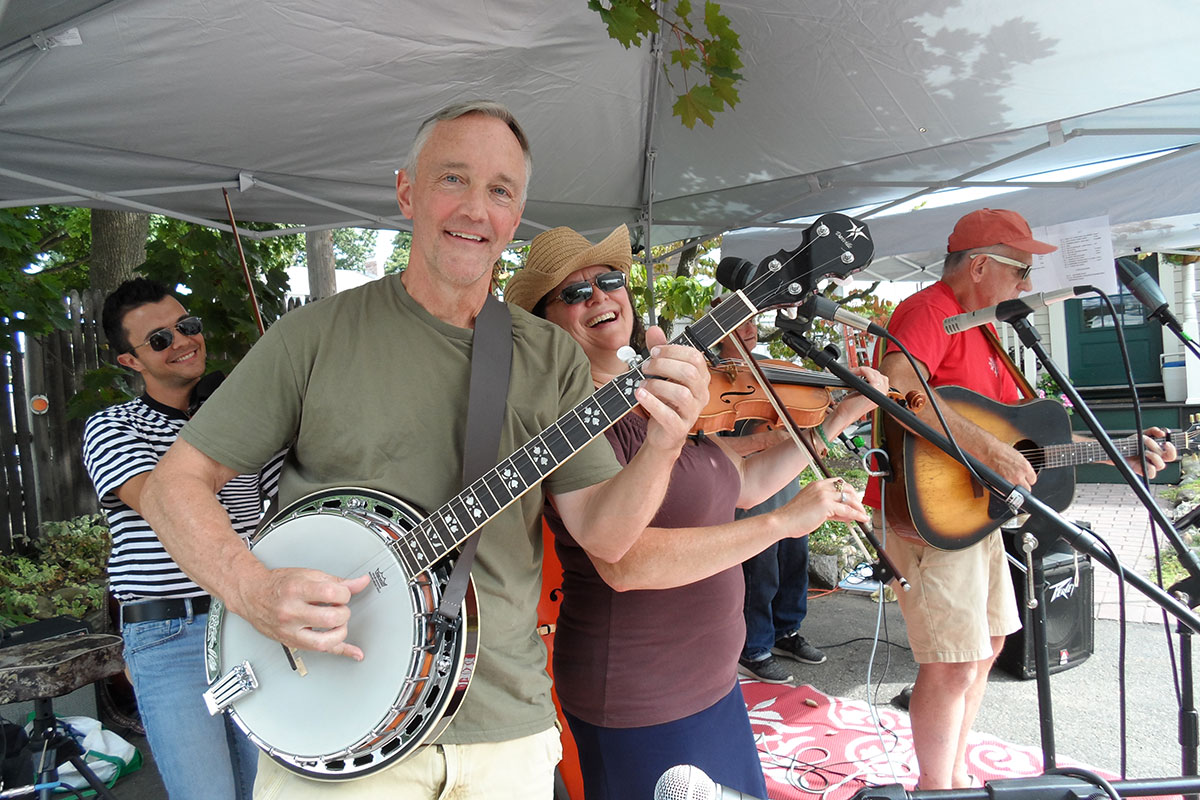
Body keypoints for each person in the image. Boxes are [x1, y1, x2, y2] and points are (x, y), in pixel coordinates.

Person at [139, 101, 712, 800]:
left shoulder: (552, 356)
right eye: (453, 179)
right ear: (407, 191)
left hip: (505, 734)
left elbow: (606, 534)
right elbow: (175, 484)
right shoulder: (314, 336)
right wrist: (250, 590)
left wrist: (663, 444)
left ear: (515, 216)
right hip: (335, 730)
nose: (475, 208)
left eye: (500, 190)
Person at [504, 224, 885, 800]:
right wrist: (784, 523)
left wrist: (835, 420)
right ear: (546, 322)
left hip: (713, 680)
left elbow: (744, 483)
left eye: (610, 280)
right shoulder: (569, 420)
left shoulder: (665, 387)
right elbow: (627, 562)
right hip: (641, 692)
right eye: (574, 293)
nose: (599, 296)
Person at [864, 207, 1177, 790]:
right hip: (929, 512)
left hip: (974, 512)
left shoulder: (985, 329)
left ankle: (956, 776)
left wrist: (1119, 452)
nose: (1027, 283)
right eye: (1020, 269)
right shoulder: (929, 310)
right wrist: (988, 449)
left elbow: (1024, 441)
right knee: (954, 660)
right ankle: (935, 789)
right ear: (980, 265)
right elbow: (900, 388)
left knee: (987, 646)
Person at [82, 277, 275, 800]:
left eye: (186, 326)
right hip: (171, 633)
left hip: (247, 620)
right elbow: (166, 502)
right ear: (131, 361)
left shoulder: (243, 423)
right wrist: (220, 431)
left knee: (271, 787)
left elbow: (292, 496)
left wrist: (268, 422)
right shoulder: (112, 428)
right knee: (204, 792)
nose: (184, 341)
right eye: (160, 339)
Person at [711, 310, 875, 684]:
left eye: (752, 322)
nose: (748, 329)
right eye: (738, 323)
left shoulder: (775, 368)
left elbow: (804, 414)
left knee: (794, 564)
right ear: (719, 331)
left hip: (788, 488)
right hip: (749, 495)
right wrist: (768, 438)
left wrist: (828, 406)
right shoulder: (712, 377)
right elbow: (715, 446)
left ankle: (787, 632)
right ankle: (754, 647)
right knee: (760, 574)